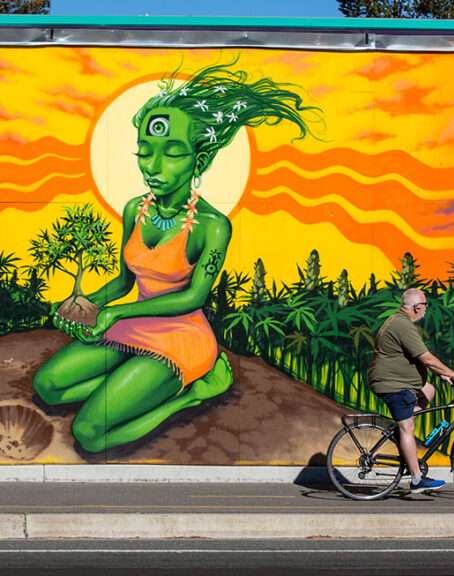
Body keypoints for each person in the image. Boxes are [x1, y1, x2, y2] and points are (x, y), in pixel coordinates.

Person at [33, 60, 318, 453]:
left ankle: (192, 393)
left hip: (181, 338)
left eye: (172, 153)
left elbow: (193, 298)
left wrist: (116, 313)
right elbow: (124, 281)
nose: (154, 166)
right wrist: (87, 303)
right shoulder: (136, 209)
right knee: (48, 386)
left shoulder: (211, 225)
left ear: (198, 161)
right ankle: (127, 387)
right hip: (132, 327)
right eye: (146, 152)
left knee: (89, 433)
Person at [369, 288, 454, 493]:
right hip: (393, 384)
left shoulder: (399, 322)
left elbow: (414, 357)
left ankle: (403, 438)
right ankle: (416, 479)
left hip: (397, 381)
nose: (426, 309)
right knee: (407, 427)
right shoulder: (402, 325)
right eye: (425, 305)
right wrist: (451, 373)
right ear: (417, 307)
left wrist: (441, 374)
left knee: (429, 390)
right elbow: (425, 357)